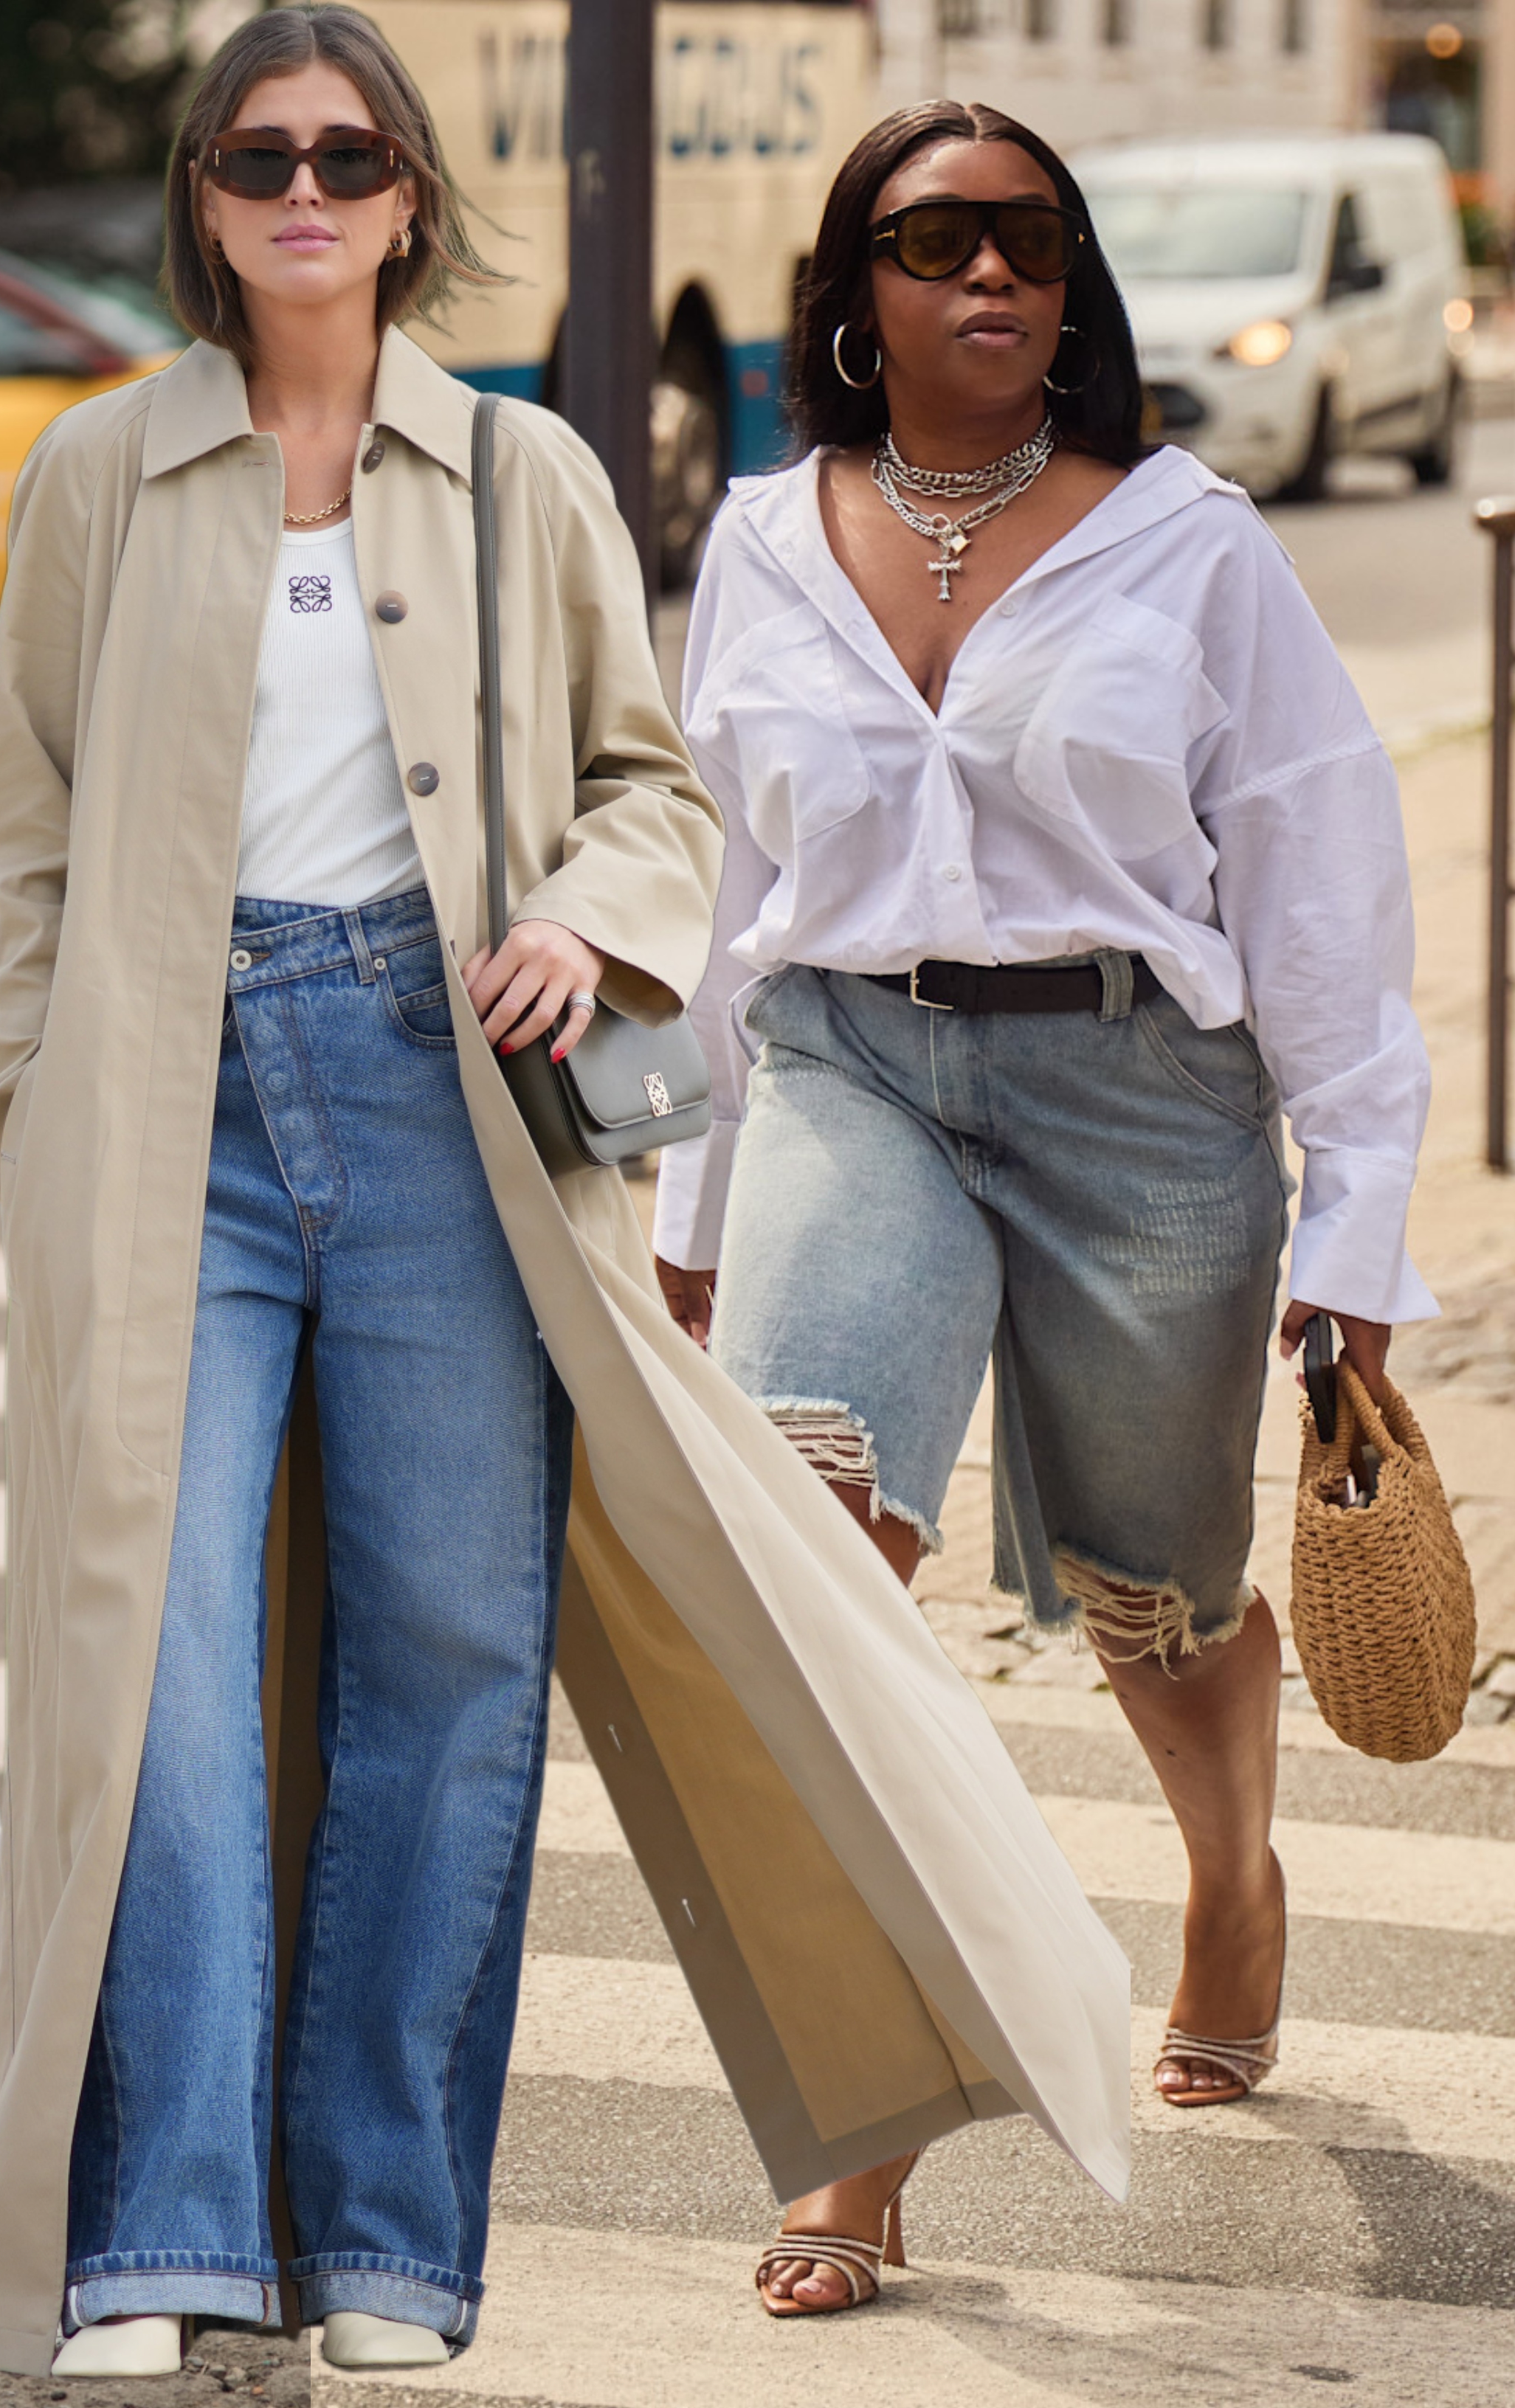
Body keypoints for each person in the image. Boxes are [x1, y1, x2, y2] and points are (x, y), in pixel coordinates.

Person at [0, 10, 1136, 2384]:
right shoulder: (93, 474)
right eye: (258, 153)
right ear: (205, 195)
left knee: (451, 1675)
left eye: (346, 152)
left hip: (448, 1095)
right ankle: (161, 2233)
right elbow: (14, 847)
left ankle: (386, 2246)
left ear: (402, 197)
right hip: (164, 1116)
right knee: (148, 1677)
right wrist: (27, 1123)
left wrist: (589, 917)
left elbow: (652, 787)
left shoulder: (518, 472)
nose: (302, 186)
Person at [653, 99, 1434, 2317]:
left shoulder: (1190, 543)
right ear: (854, 290)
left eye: (1029, 240)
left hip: (1139, 1096)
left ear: (1072, 287)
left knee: (1155, 1599)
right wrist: (697, 1178)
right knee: (818, 1571)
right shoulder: (769, 536)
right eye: (933, 238)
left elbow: (1318, 874)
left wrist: (1358, 1246)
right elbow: (727, 888)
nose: (990, 274)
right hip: (849, 1067)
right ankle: (861, 2124)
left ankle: (1231, 1880)